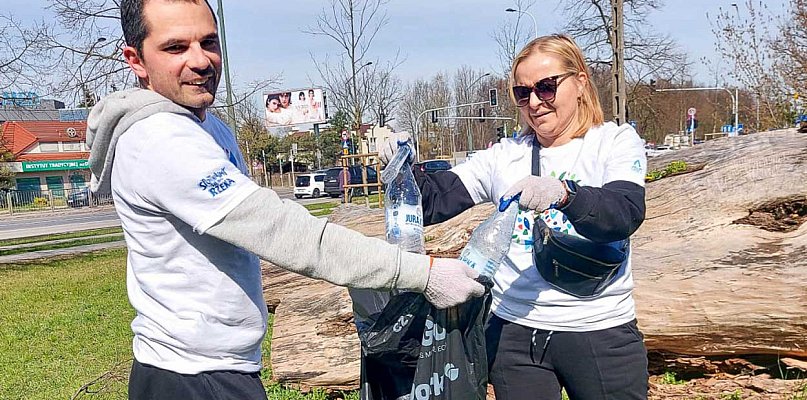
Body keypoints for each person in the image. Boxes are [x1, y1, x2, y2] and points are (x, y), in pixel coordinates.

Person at [86, 1, 485, 399]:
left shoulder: (207, 126)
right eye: (176, 48)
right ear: (136, 60)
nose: (201, 60)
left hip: (216, 367)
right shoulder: (159, 140)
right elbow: (282, 232)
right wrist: (424, 273)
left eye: (208, 42)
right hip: (191, 376)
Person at [380, 34, 648, 400]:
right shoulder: (504, 156)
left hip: (600, 330)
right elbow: (434, 201)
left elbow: (623, 213)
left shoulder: (613, 142)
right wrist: (401, 166)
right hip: (515, 336)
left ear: (581, 82)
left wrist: (564, 194)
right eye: (523, 94)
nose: (535, 103)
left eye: (546, 87)